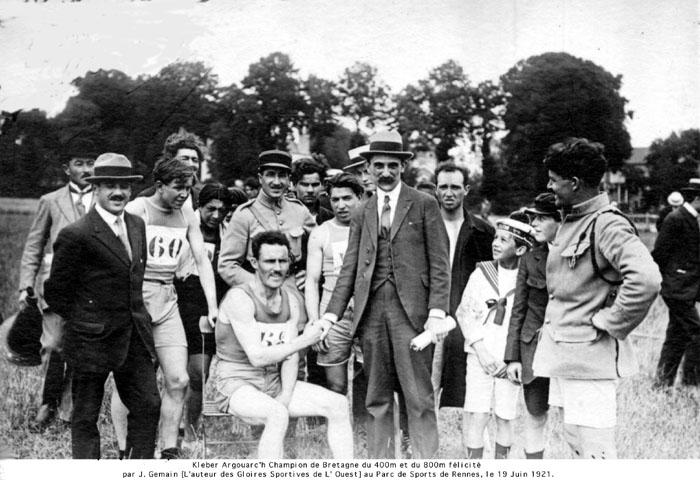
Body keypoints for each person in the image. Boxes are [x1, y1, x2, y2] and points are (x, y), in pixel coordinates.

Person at [321, 130, 451, 458]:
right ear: (368, 168)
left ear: (402, 167)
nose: (386, 172)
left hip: (412, 314)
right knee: (376, 398)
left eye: (392, 165)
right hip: (372, 313)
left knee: (418, 396)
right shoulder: (362, 210)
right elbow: (350, 266)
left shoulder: (424, 203)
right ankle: (380, 465)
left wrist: (436, 311)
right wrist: (330, 315)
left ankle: (425, 463)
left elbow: (439, 262)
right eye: (378, 165)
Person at [532, 138, 661, 459]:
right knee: (575, 439)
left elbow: (646, 279)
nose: (549, 187)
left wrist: (611, 321)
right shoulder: (573, 220)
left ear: (574, 183)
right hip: (566, 357)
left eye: (553, 180)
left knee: (596, 451)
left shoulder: (606, 223)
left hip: (591, 360)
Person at [43, 153, 160, 459]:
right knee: (85, 417)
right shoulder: (77, 234)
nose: (118, 192)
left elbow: (135, 279)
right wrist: (88, 320)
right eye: (109, 185)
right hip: (90, 341)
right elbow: (57, 293)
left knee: (149, 405)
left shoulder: (136, 225)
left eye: (123, 185)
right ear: (95, 188)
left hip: (133, 338)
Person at [112, 157, 219, 459]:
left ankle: (169, 449)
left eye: (189, 188)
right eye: (178, 188)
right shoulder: (137, 210)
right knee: (129, 382)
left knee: (179, 378)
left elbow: (201, 261)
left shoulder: (187, 214)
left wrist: (212, 306)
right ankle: (124, 449)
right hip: (136, 300)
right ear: (159, 186)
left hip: (167, 299)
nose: (185, 194)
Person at [214, 231, 353, 459]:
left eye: (282, 261)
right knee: (276, 414)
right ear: (254, 263)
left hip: (275, 382)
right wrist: (304, 341)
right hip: (237, 383)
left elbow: (290, 357)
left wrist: (286, 394)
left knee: (337, 404)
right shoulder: (239, 299)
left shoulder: (289, 300)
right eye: (269, 261)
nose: (276, 268)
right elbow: (257, 357)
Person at [18, 138, 96, 429]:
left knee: (81, 347)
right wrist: (26, 284)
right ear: (67, 169)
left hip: (91, 288)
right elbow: (34, 246)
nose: (86, 169)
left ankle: (67, 410)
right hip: (56, 286)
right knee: (53, 346)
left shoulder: (105, 199)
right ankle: (47, 403)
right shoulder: (50, 201)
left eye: (91, 163)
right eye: (79, 163)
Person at [218, 150, 316, 381]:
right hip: (258, 305)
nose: (276, 181)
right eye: (270, 174)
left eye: (283, 175)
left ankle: (289, 416)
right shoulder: (245, 215)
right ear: (260, 177)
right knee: (260, 369)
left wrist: (309, 273)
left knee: (295, 366)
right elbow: (227, 265)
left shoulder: (299, 211)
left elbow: (318, 249)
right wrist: (257, 288)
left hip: (293, 299)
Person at [457, 218, 534, 459]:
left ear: (520, 249)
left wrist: (513, 359)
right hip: (480, 356)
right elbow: (465, 313)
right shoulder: (481, 274)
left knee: (505, 415)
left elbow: (528, 321)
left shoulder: (527, 279)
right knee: (477, 415)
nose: (496, 243)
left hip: (509, 362)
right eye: (495, 238)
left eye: (504, 240)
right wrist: (481, 352)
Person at [174, 183, 233, 446]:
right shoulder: (184, 227)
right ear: (199, 205)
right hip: (178, 303)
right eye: (211, 209)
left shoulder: (228, 234)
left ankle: (191, 428)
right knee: (172, 372)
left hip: (208, 308)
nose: (217, 215)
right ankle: (166, 423)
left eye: (223, 210)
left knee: (199, 372)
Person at [433, 162, 494, 410]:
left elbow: (491, 281)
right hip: (432, 317)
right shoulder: (422, 227)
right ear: (436, 190)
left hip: (468, 320)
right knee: (426, 386)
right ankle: (420, 446)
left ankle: (479, 446)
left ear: (466, 189)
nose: (449, 193)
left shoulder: (483, 232)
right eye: (443, 187)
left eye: (455, 187)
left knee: (475, 389)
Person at [504, 193, 561, 459]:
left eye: (542, 218)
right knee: (535, 415)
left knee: (573, 421)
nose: (534, 224)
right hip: (532, 350)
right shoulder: (529, 259)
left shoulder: (577, 257)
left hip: (566, 350)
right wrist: (513, 357)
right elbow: (519, 310)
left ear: (561, 220)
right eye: (533, 218)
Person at [305, 173, 363, 394]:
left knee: (368, 379)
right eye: (335, 199)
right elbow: (311, 280)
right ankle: (335, 427)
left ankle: (362, 428)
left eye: (347, 198)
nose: (341, 205)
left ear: (359, 197)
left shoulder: (371, 228)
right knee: (336, 384)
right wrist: (314, 321)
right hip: (332, 314)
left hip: (365, 311)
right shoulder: (321, 233)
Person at [652, 179, 700, 388]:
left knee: (677, 335)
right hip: (677, 289)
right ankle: (691, 383)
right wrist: (672, 278)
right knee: (697, 333)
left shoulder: (692, 218)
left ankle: (662, 383)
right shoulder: (675, 218)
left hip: (686, 289)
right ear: (697, 199)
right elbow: (660, 254)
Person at [291, 157, 334, 224]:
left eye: (315, 185)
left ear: (323, 186)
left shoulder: (329, 217)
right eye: (304, 185)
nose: (310, 190)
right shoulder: (285, 216)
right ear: (294, 185)